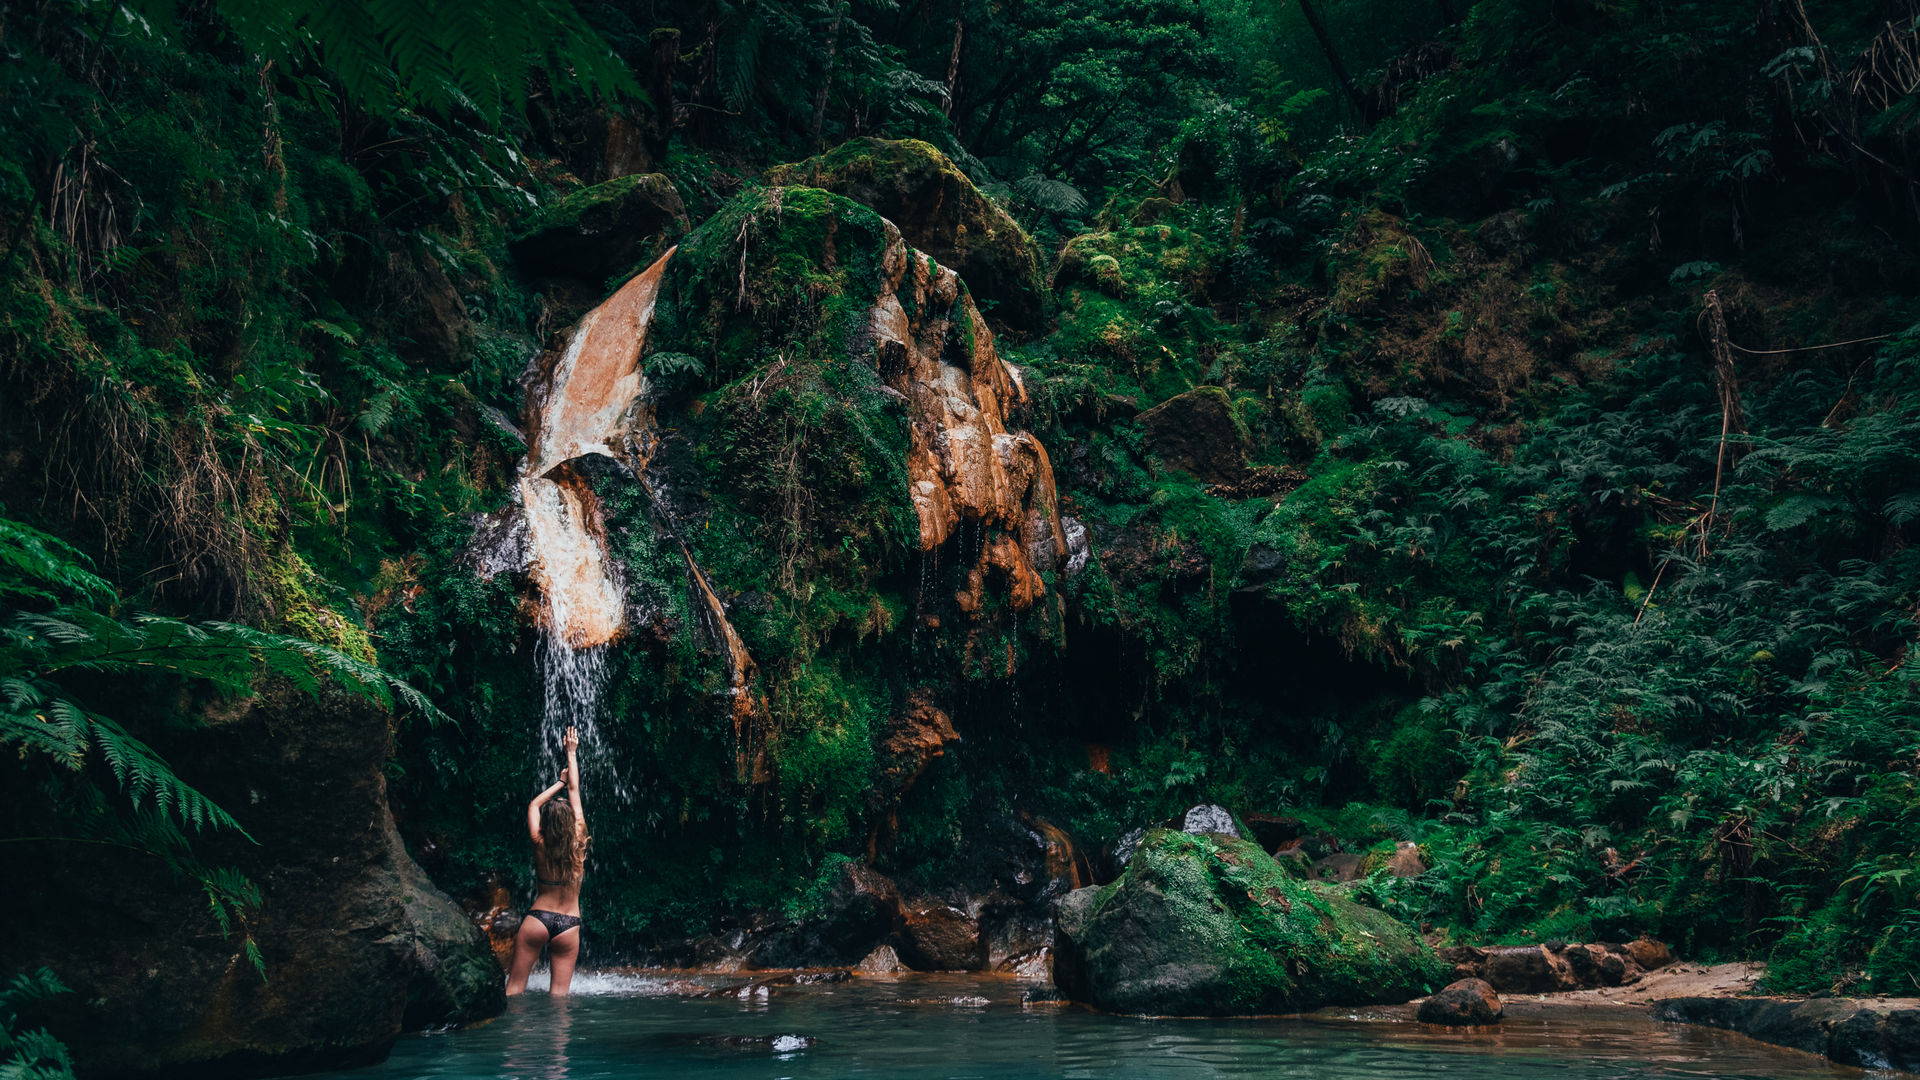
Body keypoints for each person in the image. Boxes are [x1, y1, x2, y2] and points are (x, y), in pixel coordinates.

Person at [506, 725, 588, 996]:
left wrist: (559, 783)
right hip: (569, 925)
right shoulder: (579, 841)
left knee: (514, 988)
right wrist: (571, 753)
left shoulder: (538, 841)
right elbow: (576, 792)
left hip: (538, 919)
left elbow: (533, 805)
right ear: (570, 822)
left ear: (547, 824)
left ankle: (509, 1026)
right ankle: (557, 1028)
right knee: (560, 997)